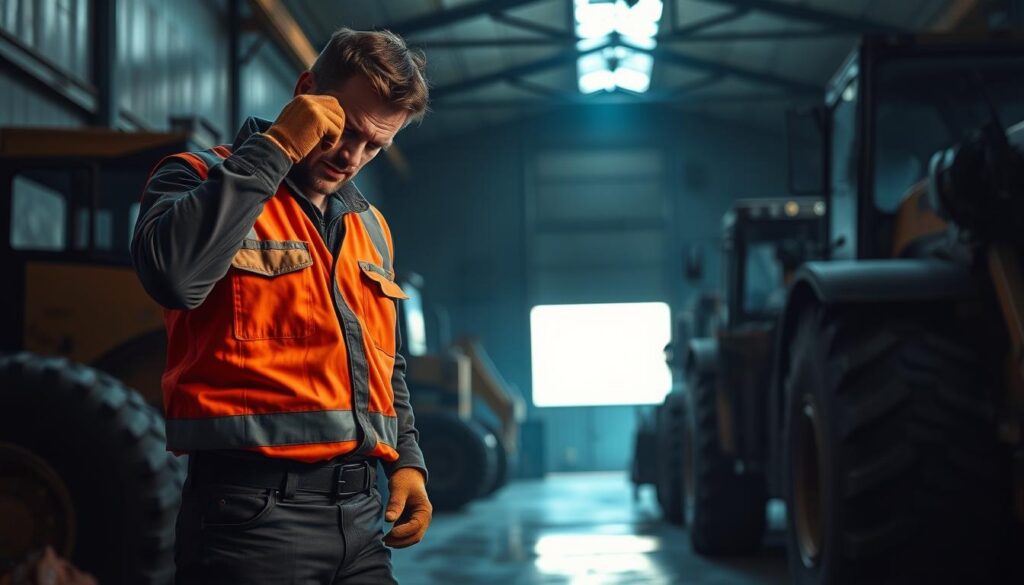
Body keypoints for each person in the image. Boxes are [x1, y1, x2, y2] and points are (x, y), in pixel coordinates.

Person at [130, 27, 431, 584]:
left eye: (375, 147)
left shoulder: (370, 226)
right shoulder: (196, 178)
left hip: (362, 520)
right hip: (251, 519)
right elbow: (173, 277)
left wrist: (406, 459)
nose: (351, 156)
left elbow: (383, 365)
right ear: (306, 91)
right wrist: (276, 149)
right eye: (345, 130)